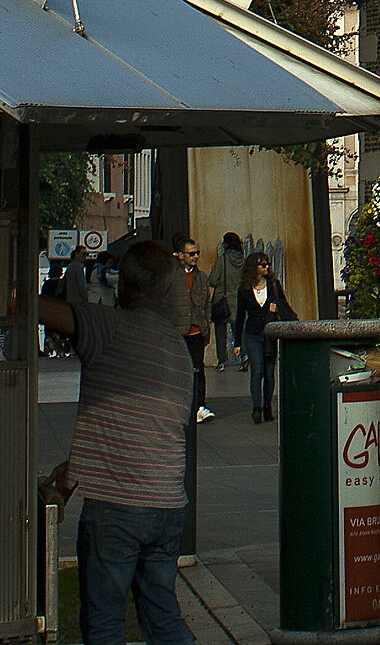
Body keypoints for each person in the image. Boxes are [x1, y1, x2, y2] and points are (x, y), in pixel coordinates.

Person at [37, 238, 198, 645]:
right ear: (165, 290)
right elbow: (134, 425)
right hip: (167, 505)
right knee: (162, 617)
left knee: (104, 623)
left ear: (122, 281)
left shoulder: (108, 326)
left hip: (117, 505)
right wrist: (75, 467)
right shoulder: (178, 349)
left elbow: (40, 311)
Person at [233, 251, 296, 424]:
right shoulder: (244, 289)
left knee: (269, 374)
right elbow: (240, 316)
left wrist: (277, 310)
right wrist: (237, 342)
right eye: (263, 264)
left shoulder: (274, 285)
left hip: (270, 334)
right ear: (254, 268)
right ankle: (257, 408)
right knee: (257, 371)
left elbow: (284, 304)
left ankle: (267, 406)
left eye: (267, 264)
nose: (266, 267)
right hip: (252, 334)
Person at [169, 239, 214, 423]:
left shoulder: (201, 277)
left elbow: (207, 304)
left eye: (197, 253)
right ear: (181, 255)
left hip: (197, 331)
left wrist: (206, 325)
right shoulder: (172, 277)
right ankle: (180, 406)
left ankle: (199, 406)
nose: (195, 257)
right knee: (179, 370)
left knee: (198, 369)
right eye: (191, 253)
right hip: (178, 331)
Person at [206, 234, 245, 370]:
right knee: (238, 331)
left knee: (220, 332)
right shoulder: (243, 261)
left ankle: (222, 361)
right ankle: (244, 357)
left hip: (222, 299)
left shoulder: (222, 260)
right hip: (237, 299)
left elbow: (212, 280)